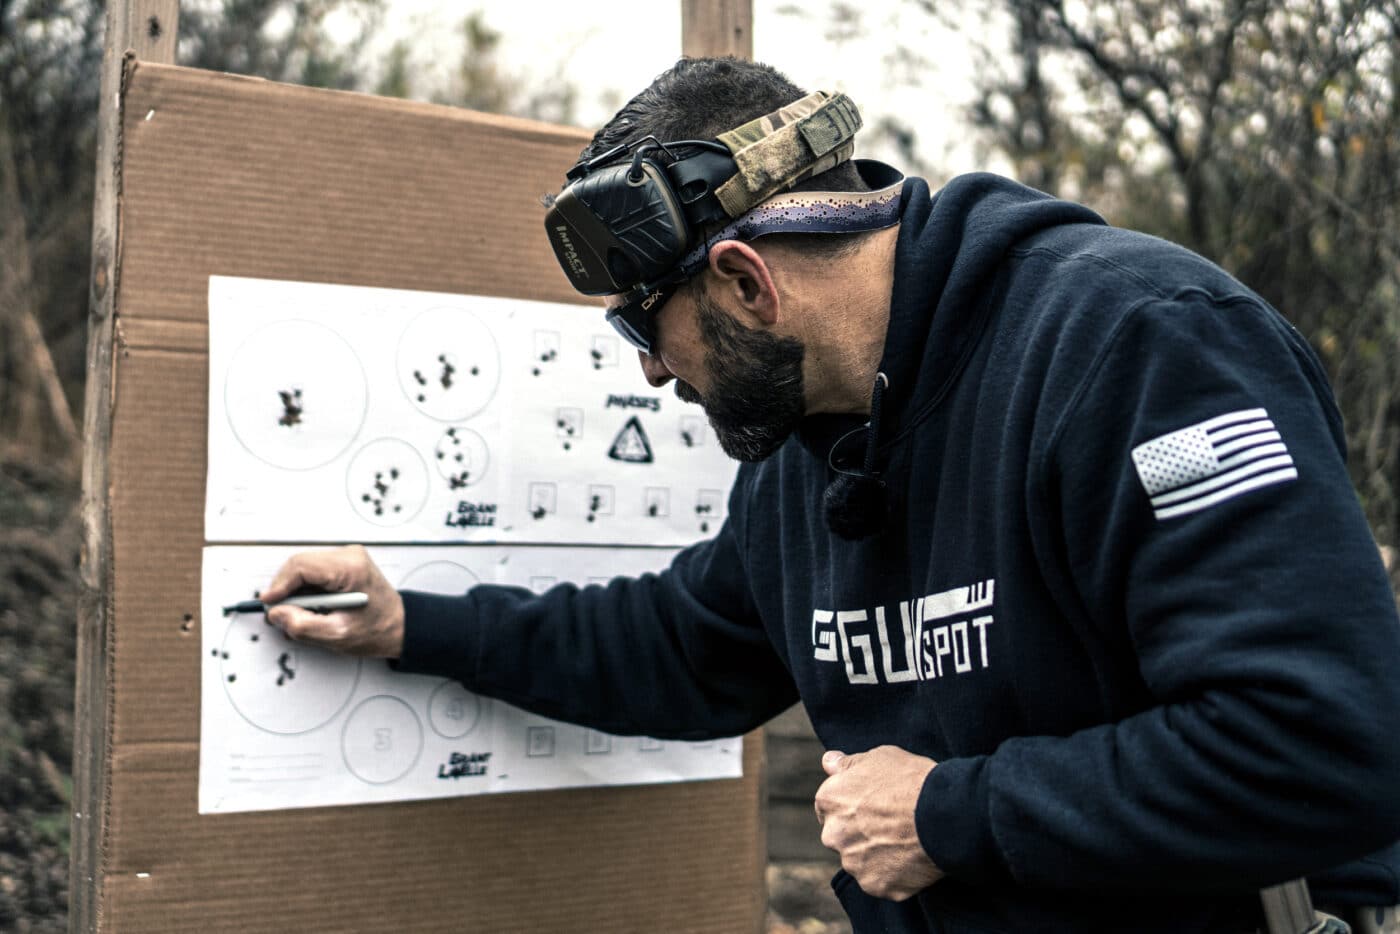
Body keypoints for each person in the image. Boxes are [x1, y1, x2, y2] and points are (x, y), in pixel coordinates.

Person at [260, 58, 1400, 933]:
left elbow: (1325, 745)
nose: (654, 375)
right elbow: (675, 644)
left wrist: (950, 813)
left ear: (745, 283)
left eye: (648, 335)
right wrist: (414, 622)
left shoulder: (1136, 348)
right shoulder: (806, 451)